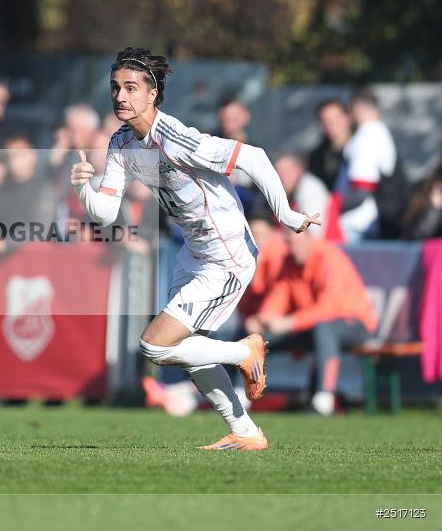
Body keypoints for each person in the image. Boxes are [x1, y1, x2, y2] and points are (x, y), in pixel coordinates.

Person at [71, 47, 320, 450]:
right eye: (116, 87)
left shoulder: (174, 137)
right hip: (194, 254)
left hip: (226, 255)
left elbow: (252, 157)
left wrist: (287, 215)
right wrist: (84, 186)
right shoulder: (121, 143)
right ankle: (245, 433)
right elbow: (104, 213)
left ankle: (243, 352)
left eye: (131, 88)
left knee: (155, 344)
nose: (121, 96)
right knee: (190, 352)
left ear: (153, 94)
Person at [245, 227, 376, 415]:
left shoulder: (328, 257)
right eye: (289, 243)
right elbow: (279, 297)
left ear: (309, 239)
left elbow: (328, 308)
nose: (293, 247)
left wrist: (289, 322)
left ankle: (324, 398)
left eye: (297, 241)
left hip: (354, 323)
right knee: (258, 338)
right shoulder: (289, 262)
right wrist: (263, 319)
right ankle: (240, 395)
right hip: (313, 325)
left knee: (324, 329)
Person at [331, 88, 397, 241]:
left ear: (357, 107)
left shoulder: (367, 136)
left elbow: (362, 190)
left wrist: (330, 206)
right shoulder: (378, 131)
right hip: (363, 225)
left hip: (357, 225)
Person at [307, 99, 352, 191]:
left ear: (347, 119)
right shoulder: (316, 157)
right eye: (325, 120)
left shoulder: (362, 150)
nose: (331, 124)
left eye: (335, 119)